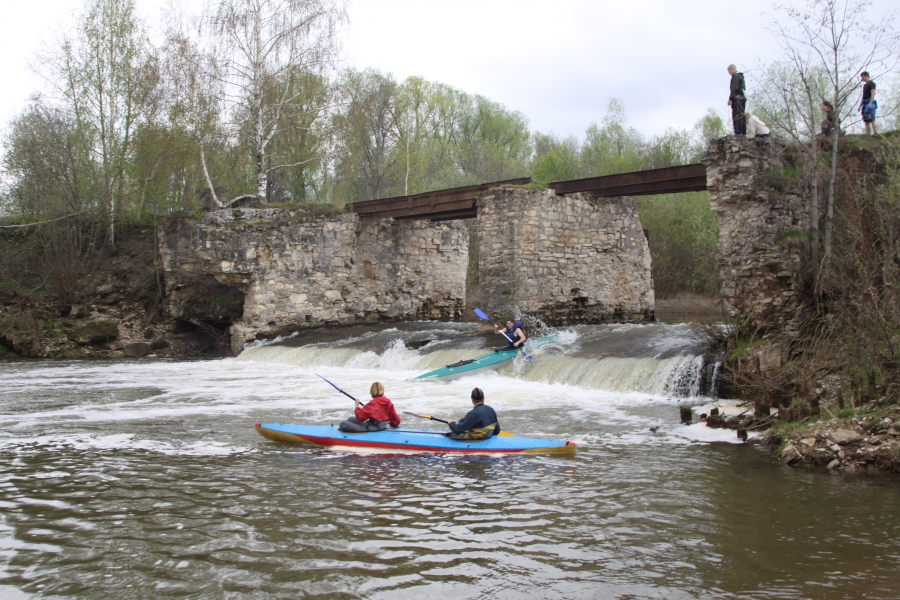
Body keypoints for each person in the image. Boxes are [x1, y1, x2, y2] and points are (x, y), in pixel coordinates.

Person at [727, 64, 747, 136]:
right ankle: (743, 132)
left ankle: (738, 132)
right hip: (742, 99)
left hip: (737, 99)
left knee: (737, 115)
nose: (729, 73)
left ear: (732, 69)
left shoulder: (735, 76)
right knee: (742, 114)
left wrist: (730, 99)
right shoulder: (741, 77)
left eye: (729, 71)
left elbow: (734, 88)